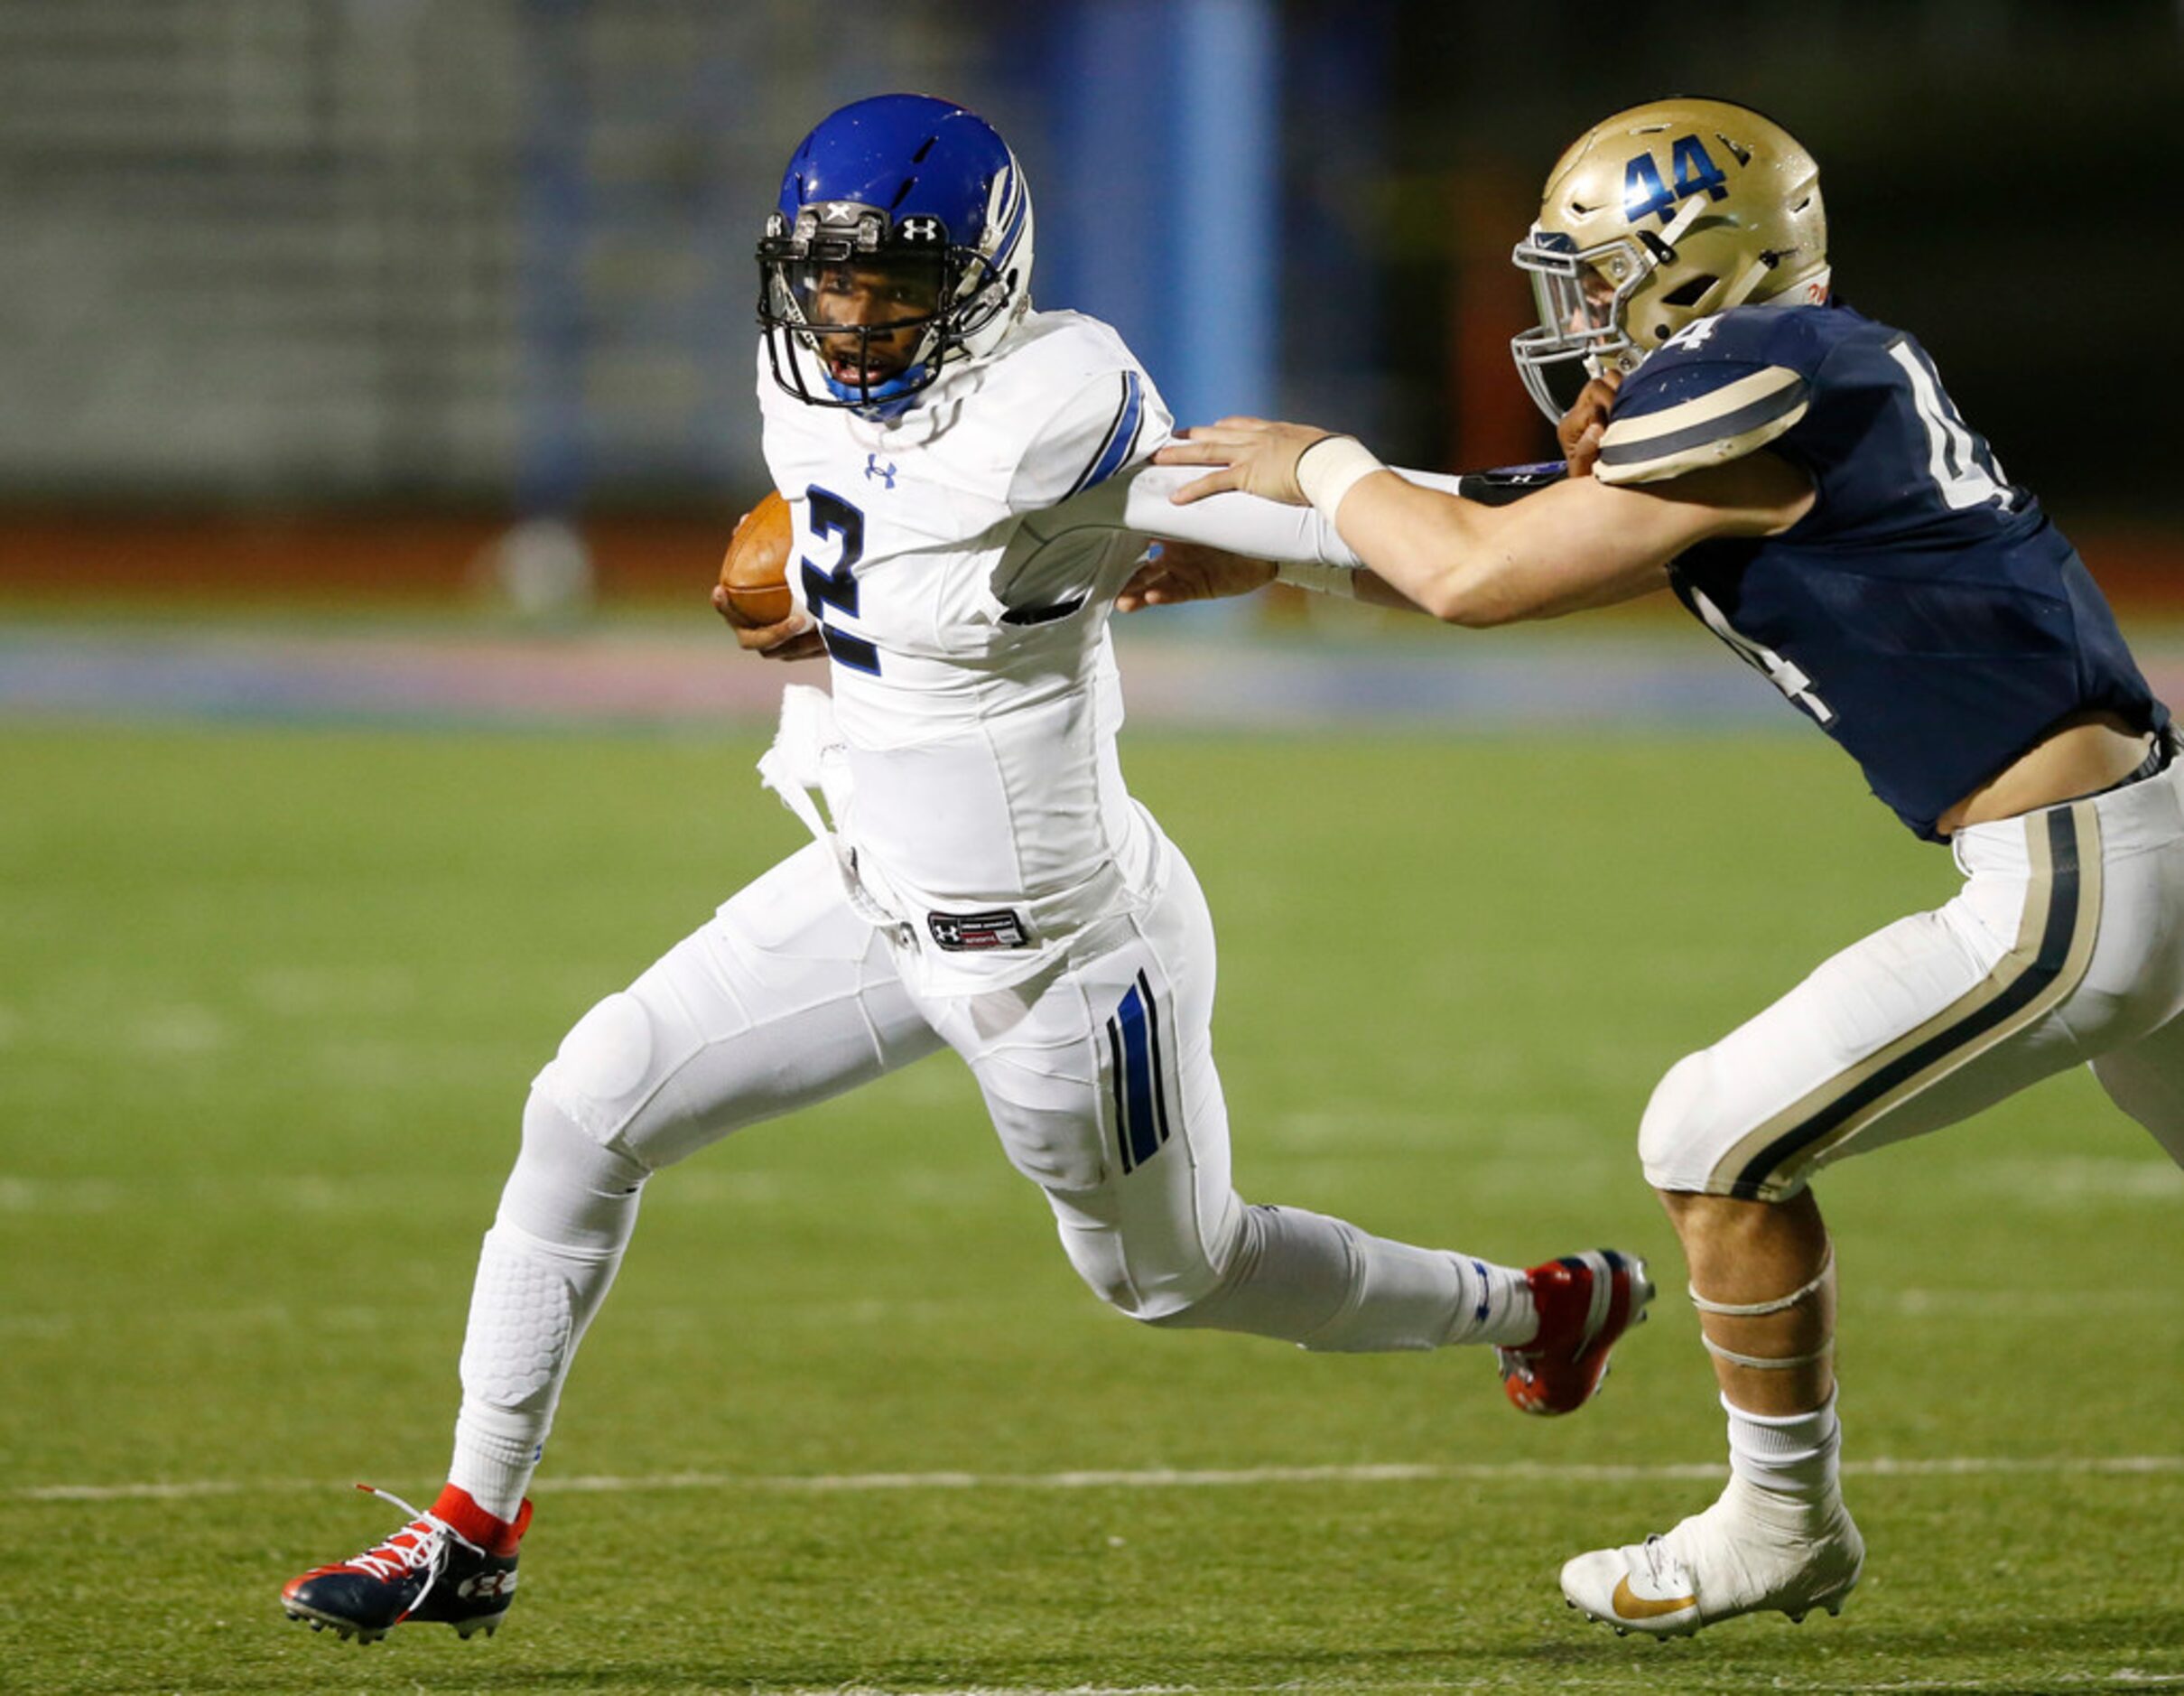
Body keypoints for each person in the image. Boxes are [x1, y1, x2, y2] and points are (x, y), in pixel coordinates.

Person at [276, 92, 1651, 1646]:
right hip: (870, 883)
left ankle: (1538, 1305)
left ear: (987, 282)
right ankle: (471, 1528)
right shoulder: (805, 369)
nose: (854, 318)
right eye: (832, 278)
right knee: (584, 1107)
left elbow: (1353, 542)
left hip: (1059, 951)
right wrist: (822, 586)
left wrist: (1587, 514)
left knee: (1177, 1276)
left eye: (897, 285)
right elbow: (885, 528)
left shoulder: (1058, 398)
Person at [1129, 95, 2184, 1640]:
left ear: (1695, 269)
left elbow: (1478, 573)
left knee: (1711, 1133)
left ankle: (1779, 1523)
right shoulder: (1801, 373)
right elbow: (1510, 527)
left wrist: (1321, 462)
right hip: (2135, 838)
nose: (1574, 320)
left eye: (1596, 275)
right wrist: (1292, 533)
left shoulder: (1780, 364)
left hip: (2075, 879)